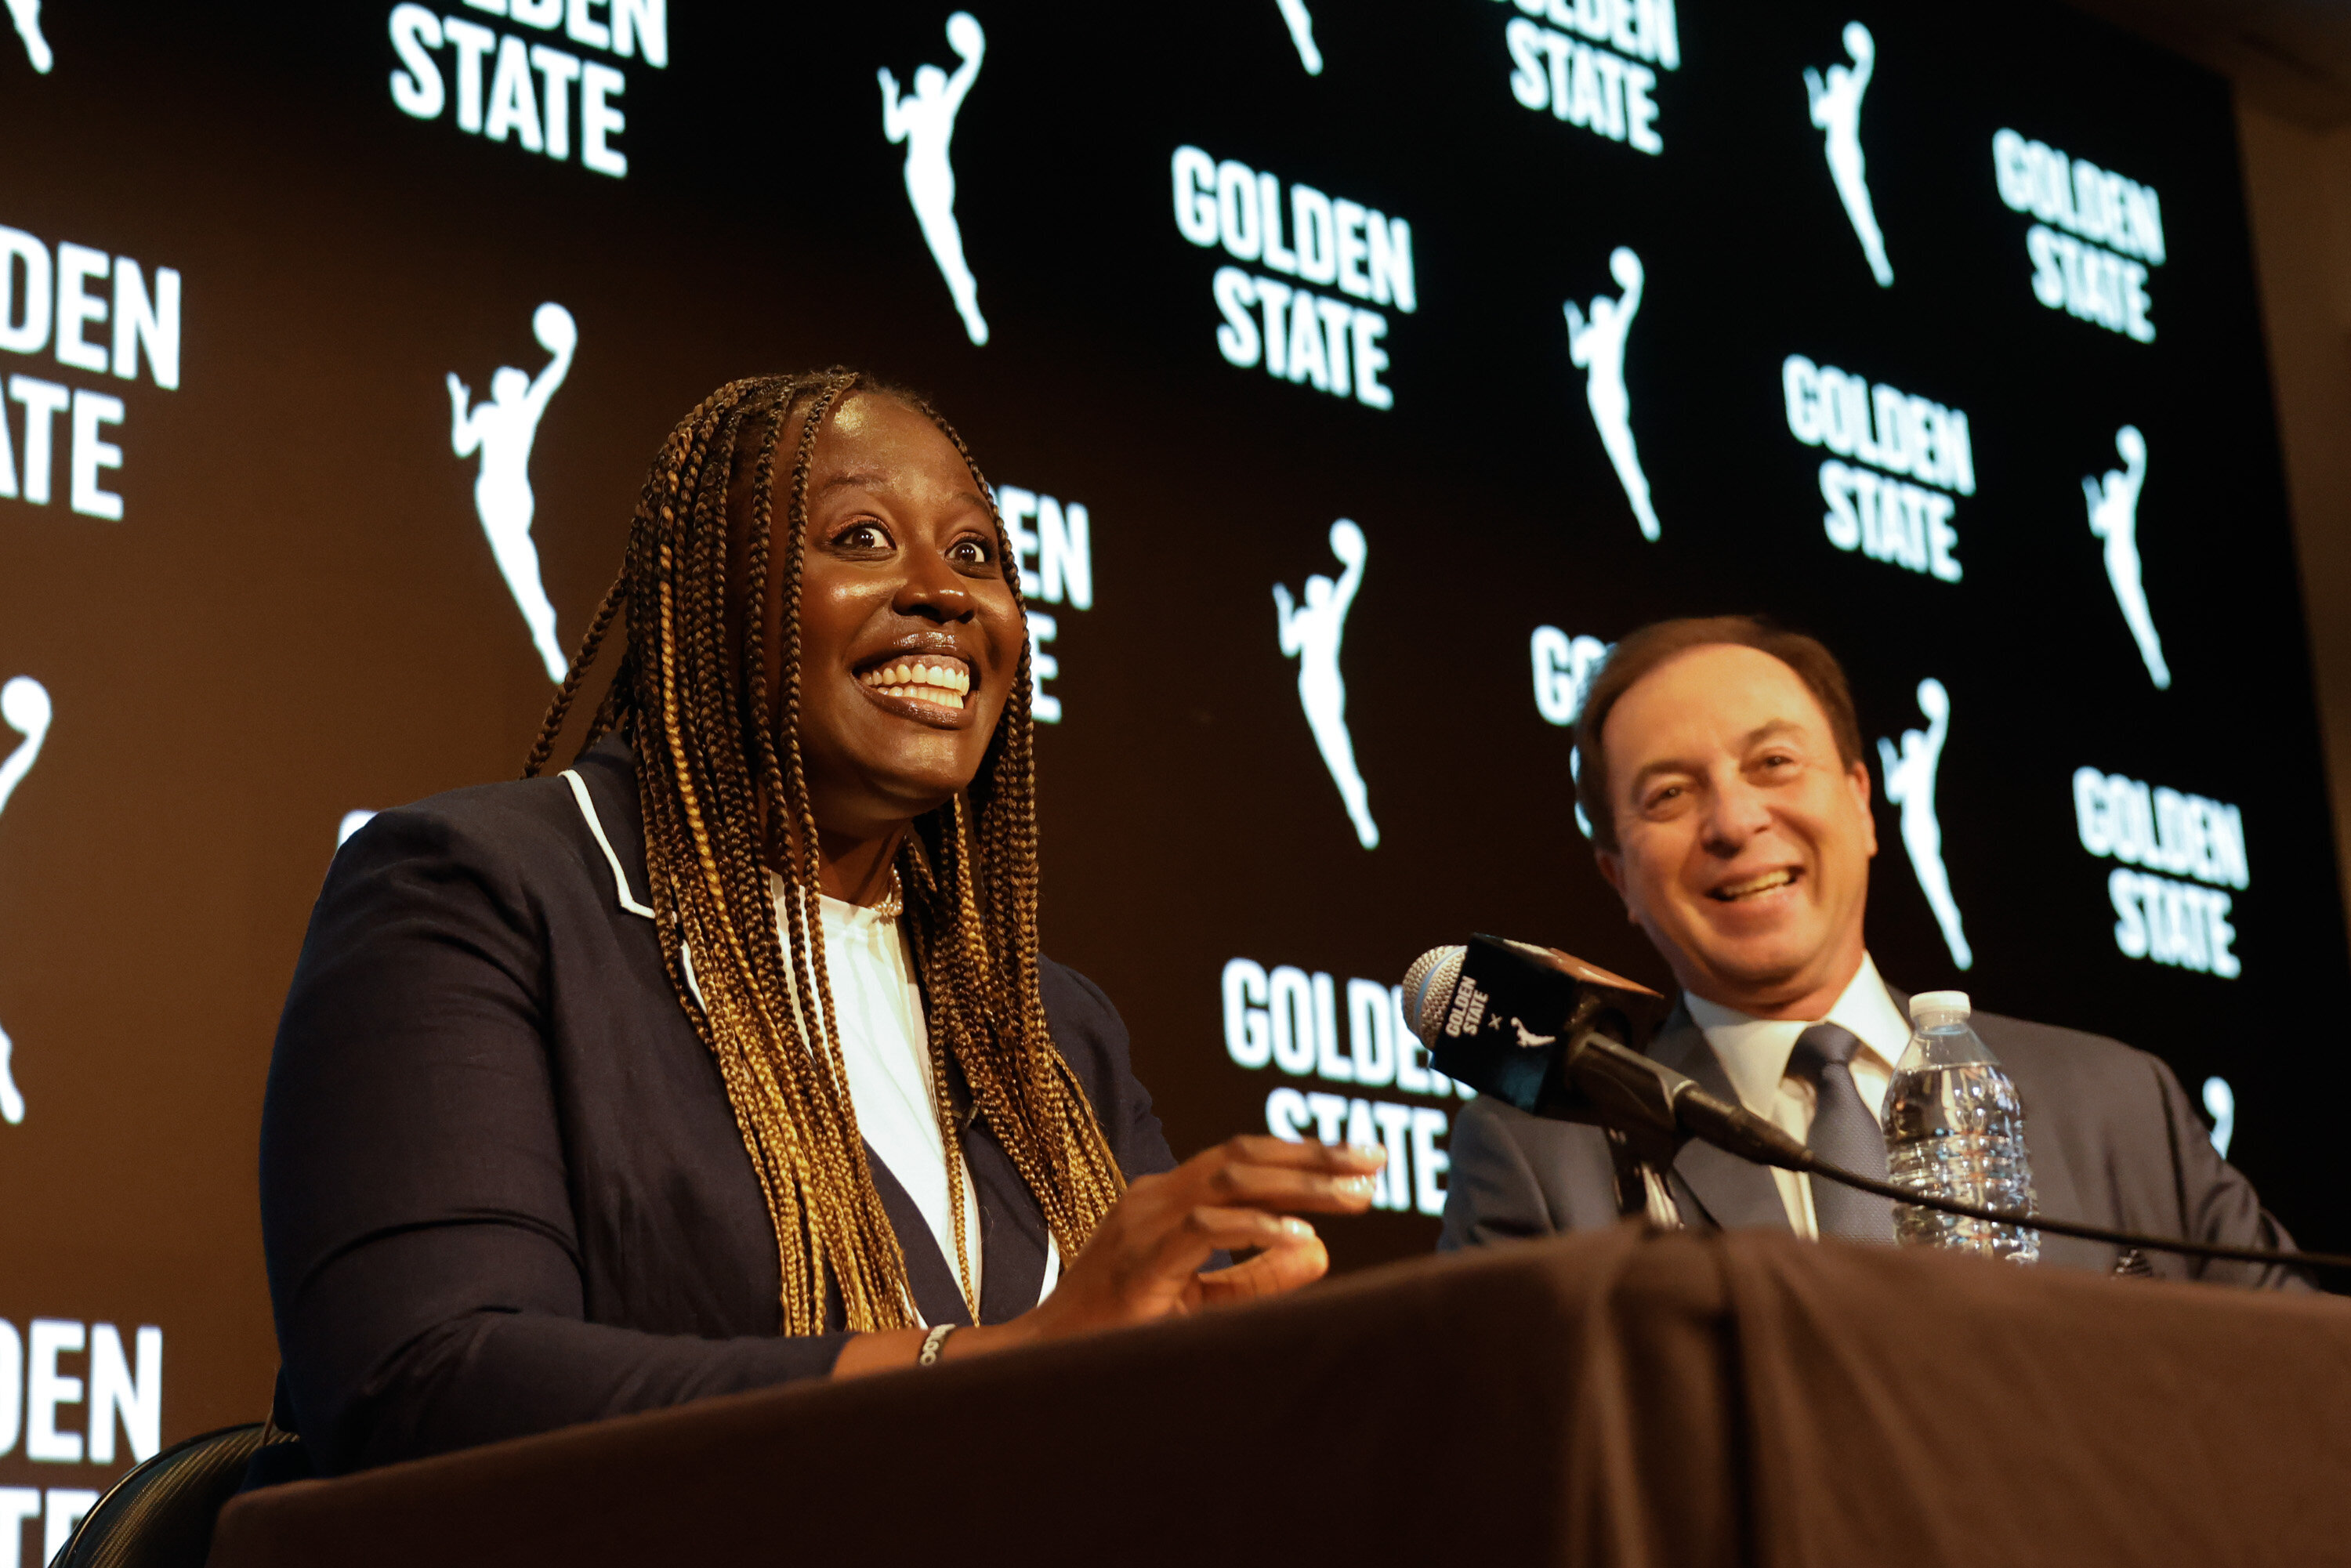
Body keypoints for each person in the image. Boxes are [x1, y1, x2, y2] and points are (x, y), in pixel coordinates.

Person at [261, 371, 1385, 1477]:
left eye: (978, 554)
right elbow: (422, 1383)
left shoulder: (1050, 1031)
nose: (946, 593)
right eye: (859, 537)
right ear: (705, 592)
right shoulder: (480, 893)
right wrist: (985, 1365)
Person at [1440, 614, 2308, 1288]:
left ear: (1861, 803)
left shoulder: (2118, 1105)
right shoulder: (1544, 1161)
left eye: (1774, 761)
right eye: (1669, 793)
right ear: (1619, 876)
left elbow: (2309, 1384)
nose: (1735, 823)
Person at [1273, 518, 1378, 849]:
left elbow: (1351, 582)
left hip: (1327, 685)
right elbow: (1289, 646)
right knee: (1333, 747)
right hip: (1312, 686)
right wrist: (1284, 610)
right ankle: (1356, 805)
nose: (1320, 591)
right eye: (1316, 588)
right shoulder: (1306, 618)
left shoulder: (1332, 613)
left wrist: (1357, 558)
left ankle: (1358, 804)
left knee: (1337, 743)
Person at [1563, 248, 1660, 543]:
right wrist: (1575, 324)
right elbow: (1577, 356)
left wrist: (1636, 282)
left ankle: (1642, 502)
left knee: (1623, 446)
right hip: (1600, 398)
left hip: (1611, 395)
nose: (1599, 312)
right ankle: (1640, 502)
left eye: (1601, 309)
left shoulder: (1612, 328)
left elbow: (1629, 305)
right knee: (1619, 448)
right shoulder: (1594, 334)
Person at [1806, 21, 1893, 288]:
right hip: (1835, 154)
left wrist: (1865, 50)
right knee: (1853, 203)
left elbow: (1865, 68)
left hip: (1846, 152)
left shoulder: (1849, 93)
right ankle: (1874, 254)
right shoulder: (1831, 101)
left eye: (1837, 76)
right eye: (1832, 77)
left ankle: (1878, 254)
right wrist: (1814, 86)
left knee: (1859, 201)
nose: (1835, 78)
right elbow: (1817, 117)